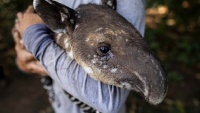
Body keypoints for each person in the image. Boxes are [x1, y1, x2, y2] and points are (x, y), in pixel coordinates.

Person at [13, 0, 146, 113]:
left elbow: (109, 100)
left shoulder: (127, 3)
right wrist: (23, 62)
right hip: (60, 105)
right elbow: (27, 60)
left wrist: (34, 36)